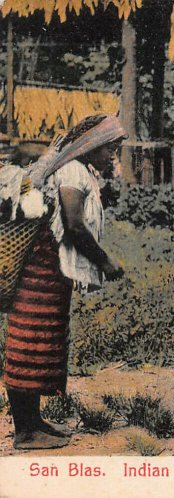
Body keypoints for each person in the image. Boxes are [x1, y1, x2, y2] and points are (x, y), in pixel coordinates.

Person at [4, 114, 126, 450]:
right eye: (109, 151)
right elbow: (73, 225)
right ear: (91, 146)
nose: (111, 158)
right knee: (29, 342)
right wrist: (104, 261)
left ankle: (33, 422)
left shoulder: (77, 169)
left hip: (50, 275)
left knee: (42, 342)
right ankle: (25, 433)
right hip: (39, 274)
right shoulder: (72, 171)